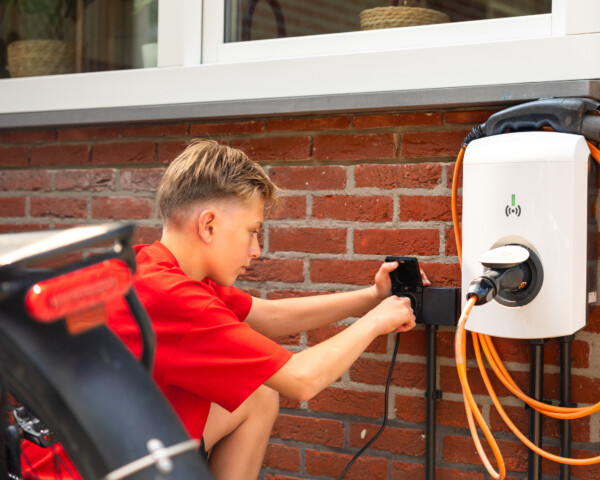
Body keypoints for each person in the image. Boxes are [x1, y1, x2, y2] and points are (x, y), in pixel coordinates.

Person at [104, 139, 422, 480]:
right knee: (263, 390)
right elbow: (302, 379)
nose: (256, 250)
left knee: (256, 395)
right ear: (208, 225)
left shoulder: (155, 266)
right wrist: (376, 322)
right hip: (111, 466)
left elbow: (270, 316)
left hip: (120, 443)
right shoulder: (173, 297)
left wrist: (373, 296)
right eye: (252, 232)